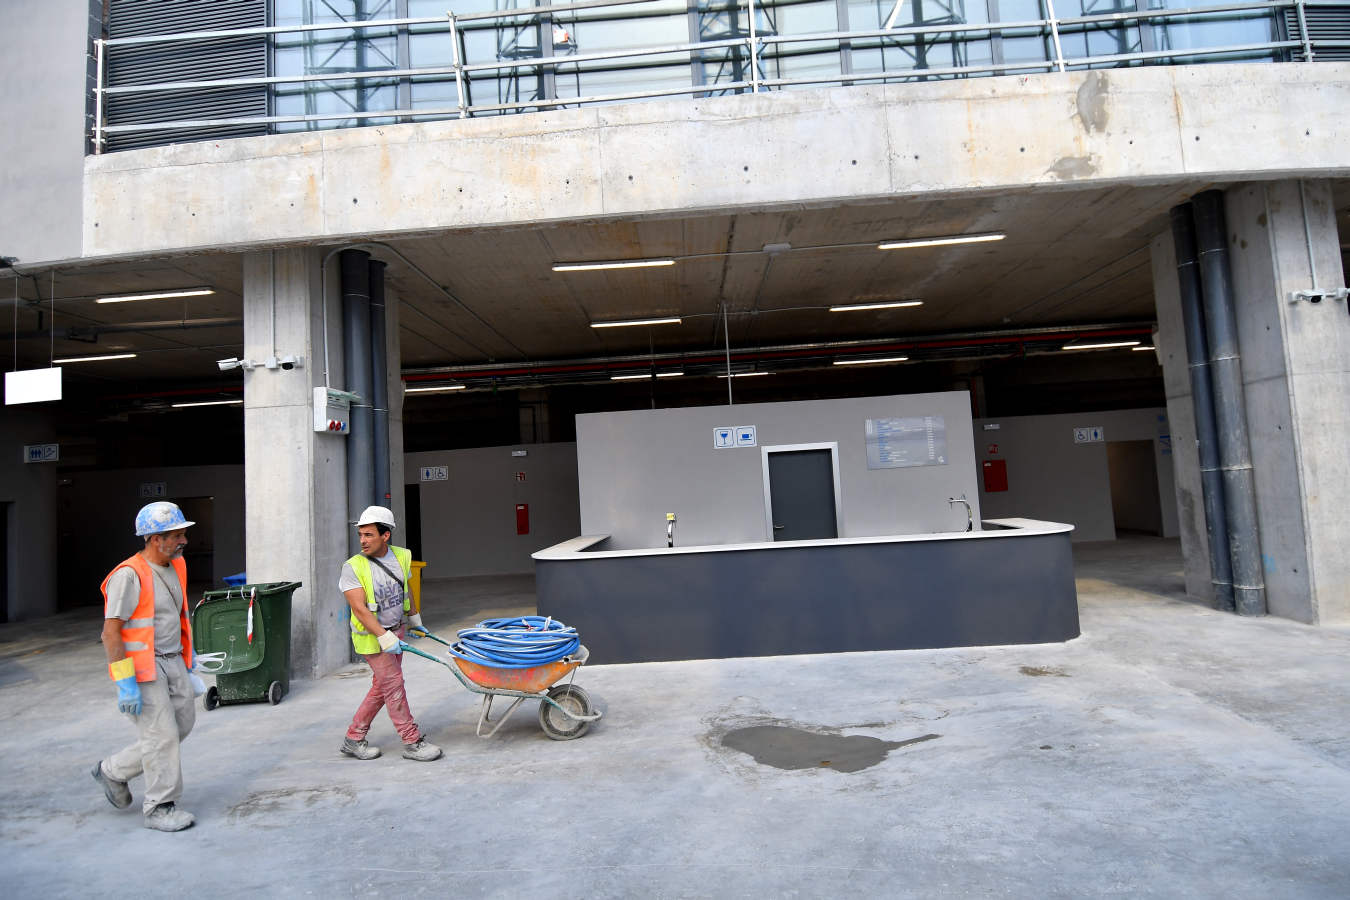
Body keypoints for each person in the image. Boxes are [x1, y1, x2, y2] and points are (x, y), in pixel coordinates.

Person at [92, 501, 199, 832]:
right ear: (155, 538)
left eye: (183, 534)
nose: (184, 540)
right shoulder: (128, 575)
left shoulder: (174, 566)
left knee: (181, 725)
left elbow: (176, 618)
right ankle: (160, 807)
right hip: (143, 669)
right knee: (161, 735)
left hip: (173, 661)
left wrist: (189, 664)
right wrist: (125, 682)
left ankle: (113, 771)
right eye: (177, 535)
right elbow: (111, 632)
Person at [339, 505, 443, 762]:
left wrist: (415, 619)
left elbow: (406, 590)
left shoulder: (401, 556)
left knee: (382, 687)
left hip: (397, 632)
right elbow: (360, 609)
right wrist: (384, 637)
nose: (363, 540)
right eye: (361, 535)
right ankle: (411, 741)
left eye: (369, 535)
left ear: (386, 535)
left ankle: (353, 738)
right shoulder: (353, 567)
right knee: (394, 686)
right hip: (373, 638)